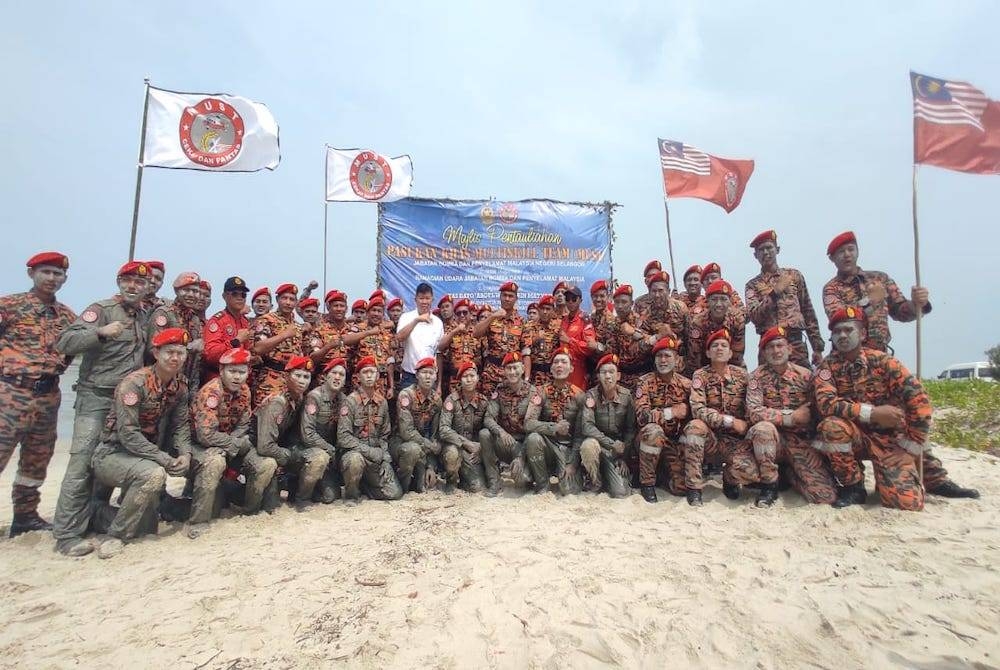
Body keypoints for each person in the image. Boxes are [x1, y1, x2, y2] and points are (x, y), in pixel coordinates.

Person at [813, 307, 979, 510]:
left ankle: (933, 479)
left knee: (905, 502)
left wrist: (911, 447)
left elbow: (919, 401)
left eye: (849, 330)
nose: (842, 335)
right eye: (837, 332)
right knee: (831, 426)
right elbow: (826, 403)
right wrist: (871, 413)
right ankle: (853, 488)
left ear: (863, 333)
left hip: (890, 440)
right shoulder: (826, 368)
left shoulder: (884, 362)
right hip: (856, 435)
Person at [52, 261, 150, 557]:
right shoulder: (102, 309)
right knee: (81, 463)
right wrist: (100, 333)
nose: (133, 286)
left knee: (107, 460)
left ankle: (94, 515)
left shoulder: (144, 315)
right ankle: (67, 534)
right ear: (119, 282)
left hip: (124, 402)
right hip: (96, 397)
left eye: (139, 282)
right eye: (128, 281)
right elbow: (64, 342)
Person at [90, 327, 194, 559]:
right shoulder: (134, 384)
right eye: (169, 352)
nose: (175, 357)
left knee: (147, 529)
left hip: (143, 457)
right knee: (154, 474)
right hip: (113, 454)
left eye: (180, 352)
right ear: (156, 353)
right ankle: (115, 536)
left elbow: (181, 426)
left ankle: (98, 514)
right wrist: (164, 458)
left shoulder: (180, 386)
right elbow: (128, 434)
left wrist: (185, 454)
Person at [0, 252, 76, 536]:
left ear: (64, 279)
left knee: (37, 458)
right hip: (10, 391)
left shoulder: (67, 316)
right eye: (46, 272)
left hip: (47, 395)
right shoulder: (10, 306)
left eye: (57, 274)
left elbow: (72, 350)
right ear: (31, 273)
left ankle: (25, 516)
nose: (52, 278)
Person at [745, 327, 837, 506]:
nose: (776, 351)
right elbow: (754, 412)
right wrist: (791, 417)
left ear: (789, 349)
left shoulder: (806, 376)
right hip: (772, 441)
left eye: (780, 345)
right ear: (764, 353)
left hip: (800, 442)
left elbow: (816, 412)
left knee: (824, 497)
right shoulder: (756, 377)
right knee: (763, 428)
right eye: (770, 347)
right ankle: (769, 486)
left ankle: (789, 475)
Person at [683, 329, 768, 506]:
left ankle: (729, 479)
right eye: (714, 345)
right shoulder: (700, 375)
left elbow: (752, 408)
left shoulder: (743, 376)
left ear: (730, 353)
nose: (719, 348)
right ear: (708, 352)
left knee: (751, 474)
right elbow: (698, 409)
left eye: (724, 345)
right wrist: (728, 420)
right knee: (694, 427)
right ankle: (694, 489)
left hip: (734, 442)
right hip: (710, 439)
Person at [821, 231, 931, 354]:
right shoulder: (831, 288)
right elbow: (840, 320)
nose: (847, 255)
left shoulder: (880, 279)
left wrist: (917, 303)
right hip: (847, 356)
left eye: (851, 249)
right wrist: (870, 302)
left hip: (880, 355)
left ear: (857, 251)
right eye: (841, 252)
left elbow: (900, 312)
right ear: (832, 258)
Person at [188, 347, 252, 537]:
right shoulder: (211, 393)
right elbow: (205, 435)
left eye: (242, 372)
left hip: (227, 444)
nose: (237, 377)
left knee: (260, 458)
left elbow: (244, 424)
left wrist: (231, 444)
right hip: (198, 447)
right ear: (221, 371)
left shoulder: (245, 391)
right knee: (215, 463)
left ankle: (248, 504)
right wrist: (232, 445)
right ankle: (197, 522)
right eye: (232, 371)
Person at [250, 355, 325, 511]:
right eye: (297, 375)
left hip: (277, 450)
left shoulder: (298, 398)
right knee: (267, 506)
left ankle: (301, 498)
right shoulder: (277, 402)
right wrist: (289, 457)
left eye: (306, 376)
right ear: (286, 376)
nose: (302, 380)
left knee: (319, 457)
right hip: (258, 451)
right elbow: (264, 446)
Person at [744, 230, 825, 367]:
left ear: (777, 249)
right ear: (755, 255)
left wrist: (817, 348)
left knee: (802, 383)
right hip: (768, 343)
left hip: (795, 342)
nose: (766, 252)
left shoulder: (793, 276)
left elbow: (808, 311)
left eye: (769, 247)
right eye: (761, 250)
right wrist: (774, 293)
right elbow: (754, 316)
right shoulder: (752, 285)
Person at [337, 356, 403, 504]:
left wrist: (385, 458)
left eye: (372, 372)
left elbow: (385, 435)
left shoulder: (382, 402)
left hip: (375, 458)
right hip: (354, 453)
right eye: (365, 372)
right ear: (358, 377)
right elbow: (344, 437)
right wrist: (369, 451)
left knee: (395, 493)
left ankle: (365, 484)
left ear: (378, 376)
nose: (368, 375)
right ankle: (351, 495)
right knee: (354, 461)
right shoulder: (350, 402)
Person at [633, 336, 691, 502]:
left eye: (667, 356)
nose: (663, 360)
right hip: (648, 440)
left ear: (676, 359)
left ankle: (662, 473)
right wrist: (671, 412)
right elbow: (642, 417)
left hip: (674, 443)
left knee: (680, 488)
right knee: (653, 431)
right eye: (659, 356)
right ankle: (647, 483)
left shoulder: (686, 384)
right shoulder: (644, 382)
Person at [524, 347, 585, 495]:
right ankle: (542, 484)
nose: (559, 365)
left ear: (571, 368)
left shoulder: (579, 395)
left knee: (569, 491)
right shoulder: (541, 392)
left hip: (568, 450)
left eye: (564, 362)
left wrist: (573, 463)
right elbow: (528, 423)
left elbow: (581, 434)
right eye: (556, 362)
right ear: (551, 369)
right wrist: (554, 427)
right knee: (533, 438)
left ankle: (565, 473)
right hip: (547, 447)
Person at [579, 353, 636, 498]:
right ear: (598, 376)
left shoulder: (627, 396)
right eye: (604, 372)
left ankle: (610, 476)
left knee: (620, 493)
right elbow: (587, 427)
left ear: (619, 376)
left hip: (618, 452)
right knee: (588, 445)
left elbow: (630, 429)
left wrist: (625, 458)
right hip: (599, 446)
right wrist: (611, 444)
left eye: (611, 372)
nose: (608, 376)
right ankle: (594, 480)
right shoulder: (591, 396)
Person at [481, 352, 536, 496]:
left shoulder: (533, 392)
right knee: (484, 434)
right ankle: (494, 481)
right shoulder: (500, 390)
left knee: (521, 482)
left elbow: (534, 428)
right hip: (505, 442)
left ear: (523, 369)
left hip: (524, 445)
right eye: (509, 368)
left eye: (515, 368)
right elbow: (488, 418)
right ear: (504, 371)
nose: (512, 372)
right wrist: (501, 432)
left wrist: (521, 456)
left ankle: (527, 473)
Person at [300, 357, 350, 503]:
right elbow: (307, 434)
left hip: (328, 454)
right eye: (334, 373)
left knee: (331, 496)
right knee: (319, 459)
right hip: (307, 449)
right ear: (325, 376)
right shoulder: (314, 397)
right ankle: (301, 497)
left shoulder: (343, 400)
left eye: (341, 375)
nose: (337, 377)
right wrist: (330, 449)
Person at [393, 357, 445, 493]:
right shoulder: (406, 396)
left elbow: (435, 435)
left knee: (422, 486)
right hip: (400, 442)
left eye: (431, 373)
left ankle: (417, 477)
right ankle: (401, 486)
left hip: (422, 446)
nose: (428, 376)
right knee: (412, 450)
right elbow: (406, 432)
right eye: (424, 372)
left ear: (435, 376)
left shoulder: (436, 401)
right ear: (416, 375)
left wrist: (431, 466)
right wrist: (429, 445)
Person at [251, 283, 307, 407]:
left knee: (289, 420)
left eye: (292, 299)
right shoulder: (267, 320)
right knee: (269, 418)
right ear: (277, 300)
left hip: (293, 380)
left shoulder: (297, 325)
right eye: (284, 298)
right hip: (271, 379)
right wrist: (284, 335)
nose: (288, 302)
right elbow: (258, 348)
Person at [147, 271, 205, 390]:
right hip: (159, 382)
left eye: (195, 291)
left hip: (184, 384)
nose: (191, 294)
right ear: (176, 291)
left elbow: (196, 360)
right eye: (186, 290)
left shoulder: (195, 319)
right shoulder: (164, 314)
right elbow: (152, 350)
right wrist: (188, 347)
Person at [438, 361, 489, 492]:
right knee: (452, 455)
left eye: (472, 376)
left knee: (477, 487)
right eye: (465, 376)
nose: (469, 379)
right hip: (454, 446)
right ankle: (451, 482)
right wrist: (466, 443)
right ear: (460, 380)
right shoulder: (451, 400)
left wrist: (481, 449)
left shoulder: (483, 402)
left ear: (477, 378)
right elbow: (444, 429)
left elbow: (488, 430)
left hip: (473, 452)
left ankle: (464, 478)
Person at [685, 279, 746, 376]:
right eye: (714, 299)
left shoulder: (737, 320)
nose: (718, 304)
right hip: (704, 367)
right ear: (707, 302)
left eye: (723, 299)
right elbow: (694, 359)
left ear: (730, 301)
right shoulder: (698, 323)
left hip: (731, 366)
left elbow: (737, 356)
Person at [473, 281, 524, 396]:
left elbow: (525, 350)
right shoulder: (493, 318)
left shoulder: (521, 322)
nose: (507, 298)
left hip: (512, 374)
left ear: (516, 299)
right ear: (500, 297)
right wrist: (492, 317)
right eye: (504, 295)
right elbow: (475, 333)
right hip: (491, 375)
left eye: (510, 296)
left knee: (510, 409)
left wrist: (525, 377)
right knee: (489, 410)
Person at [202, 276, 253, 383]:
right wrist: (236, 341)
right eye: (235, 294)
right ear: (224, 296)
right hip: (218, 379)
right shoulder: (216, 321)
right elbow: (210, 355)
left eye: (243, 295)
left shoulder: (245, 322)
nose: (240, 298)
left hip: (240, 379)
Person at [395, 282, 444, 392]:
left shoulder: (438, 322)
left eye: (427, 298)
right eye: (421, 298)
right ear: (415, 299)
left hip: (429, 377)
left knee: (429, 409)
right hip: (410, 376)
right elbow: (400, 337)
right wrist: (417, 320)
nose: (424, 302)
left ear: (432, 300)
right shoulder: (406, 317)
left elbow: (439, 354)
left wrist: (439, 384)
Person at [605, 284, 653, 389]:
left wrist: (633, 332)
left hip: (642, 375)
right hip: (621, 377)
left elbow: (652, 342)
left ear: (631, 303)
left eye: (624, 302)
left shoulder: (641, 321)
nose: (620, 306)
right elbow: (611, 352)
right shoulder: (612, 325)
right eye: (617, 302)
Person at [349, 297, 396, 398]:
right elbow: (347, 341)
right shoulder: (358, 328)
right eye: (373, 310)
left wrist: (391, 386)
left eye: (379, 311)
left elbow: (390, 361)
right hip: (360, 383)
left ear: (383, 315)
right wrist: (368, 333)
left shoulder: (387, 334)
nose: (376, 314)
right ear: (367, 313)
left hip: (380, 385)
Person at [308, 290, 352, 387]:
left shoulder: (353, 331)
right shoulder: (319, 330)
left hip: (346, 382)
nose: (339, 309)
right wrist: (328, 347)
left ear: (347, 309)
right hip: (324, 381)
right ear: (329, 308)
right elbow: (313, 357)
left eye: (342, 306)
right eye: (335, 306)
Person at [436, 297, 480, 393]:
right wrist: (455, 331)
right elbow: (440, 347)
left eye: (465, 312)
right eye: (459, 313)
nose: (462, 315)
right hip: (455, 380)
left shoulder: (477, 331)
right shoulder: (449, 330)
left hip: (472, 379)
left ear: (470, 314)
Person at [557, 285, 596, 391]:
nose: (570, 302)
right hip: (562, 368)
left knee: (576, 401)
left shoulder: (585, 320)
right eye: (568, 299)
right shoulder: (563, 320)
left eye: (574, 299)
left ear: (580, 300)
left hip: (577, 369)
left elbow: (589, 347)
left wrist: (570, 341)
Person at [520, 294, 561, 387]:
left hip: (552, 375)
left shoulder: (558, 327)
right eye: (542, 309)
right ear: (538, 310)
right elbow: (525, 350)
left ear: (553, 311)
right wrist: (535, 339)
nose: (545, 312)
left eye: (548, 309)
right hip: (534, 374)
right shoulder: (529, 326)